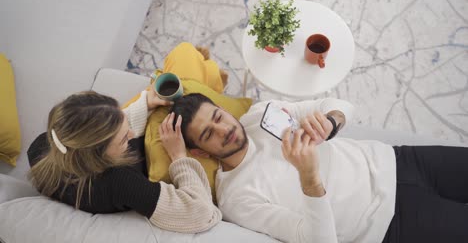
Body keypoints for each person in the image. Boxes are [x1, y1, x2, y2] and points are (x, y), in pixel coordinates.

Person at [170, 93, 468, 243]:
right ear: (199, 152)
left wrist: (330, 121)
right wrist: (309, 177)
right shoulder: (237, 199)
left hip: (396, 160)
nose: (224, 130)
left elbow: (339, 104)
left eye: (218, 117)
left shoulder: (258, 115)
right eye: (209, 134)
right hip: (389, 223)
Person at [27, 88, 222, 233]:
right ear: (98, 156)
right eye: (123, 138)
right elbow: (199, 212)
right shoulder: (119, 181)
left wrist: (144, 104)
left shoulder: (41, 146)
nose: (131, 133)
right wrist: (179, 156)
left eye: (123, 120)